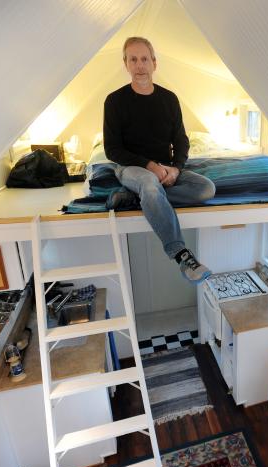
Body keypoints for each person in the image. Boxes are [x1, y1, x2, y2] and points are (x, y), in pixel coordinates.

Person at [103, 37, 215, 283]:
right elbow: (112, 149)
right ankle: (182, 255)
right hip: (131, 168)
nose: (139, 65)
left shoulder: (169, 99)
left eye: (145, 59)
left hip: (166, 168)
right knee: (150, 184)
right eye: (133, 59)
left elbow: (181, 141)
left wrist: (176, 169)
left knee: (206, 188)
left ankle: (139, 198)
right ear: (126, 64)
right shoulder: (114, 101)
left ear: (154, 63)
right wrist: (150, 166)